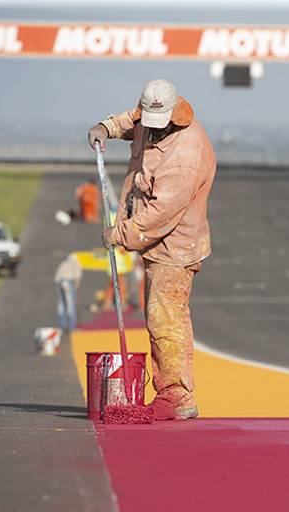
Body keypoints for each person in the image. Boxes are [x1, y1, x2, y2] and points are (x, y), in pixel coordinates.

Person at [88, 79, 216, 421]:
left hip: (175, 246)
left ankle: (177, 397)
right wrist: (108, 127)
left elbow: (161, 215)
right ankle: (171, 391)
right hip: (154, 241)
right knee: (157, 315)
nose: (151, 129)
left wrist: (120, 234)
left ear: (175, 115)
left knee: (166, 319)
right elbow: (132, 120)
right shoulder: (148, 119)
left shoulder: (186, 155)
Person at [54, 254, 83, 333]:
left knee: (61, 305)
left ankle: (61, 326)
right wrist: (76, 287)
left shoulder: (63, 263)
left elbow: (56, 277)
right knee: (71, 306)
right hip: (68, 282)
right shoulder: (76, 263)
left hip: (60, 283)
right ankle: (72, 327)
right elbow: (77, 276)